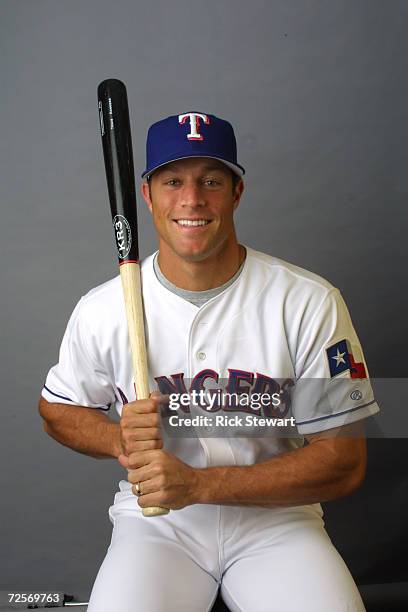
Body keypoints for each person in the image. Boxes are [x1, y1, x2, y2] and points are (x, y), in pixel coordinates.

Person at [39, 111, 380, 611]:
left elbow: (344, 462)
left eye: (211, 181)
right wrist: (120, 440)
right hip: (158, 524)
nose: (192, 199)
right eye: (173, 180)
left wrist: (199, 484)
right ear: (147, 195)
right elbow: (56, 411)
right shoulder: (103, 307)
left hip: (278, 519)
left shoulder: (308, 301)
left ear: (237, 193)